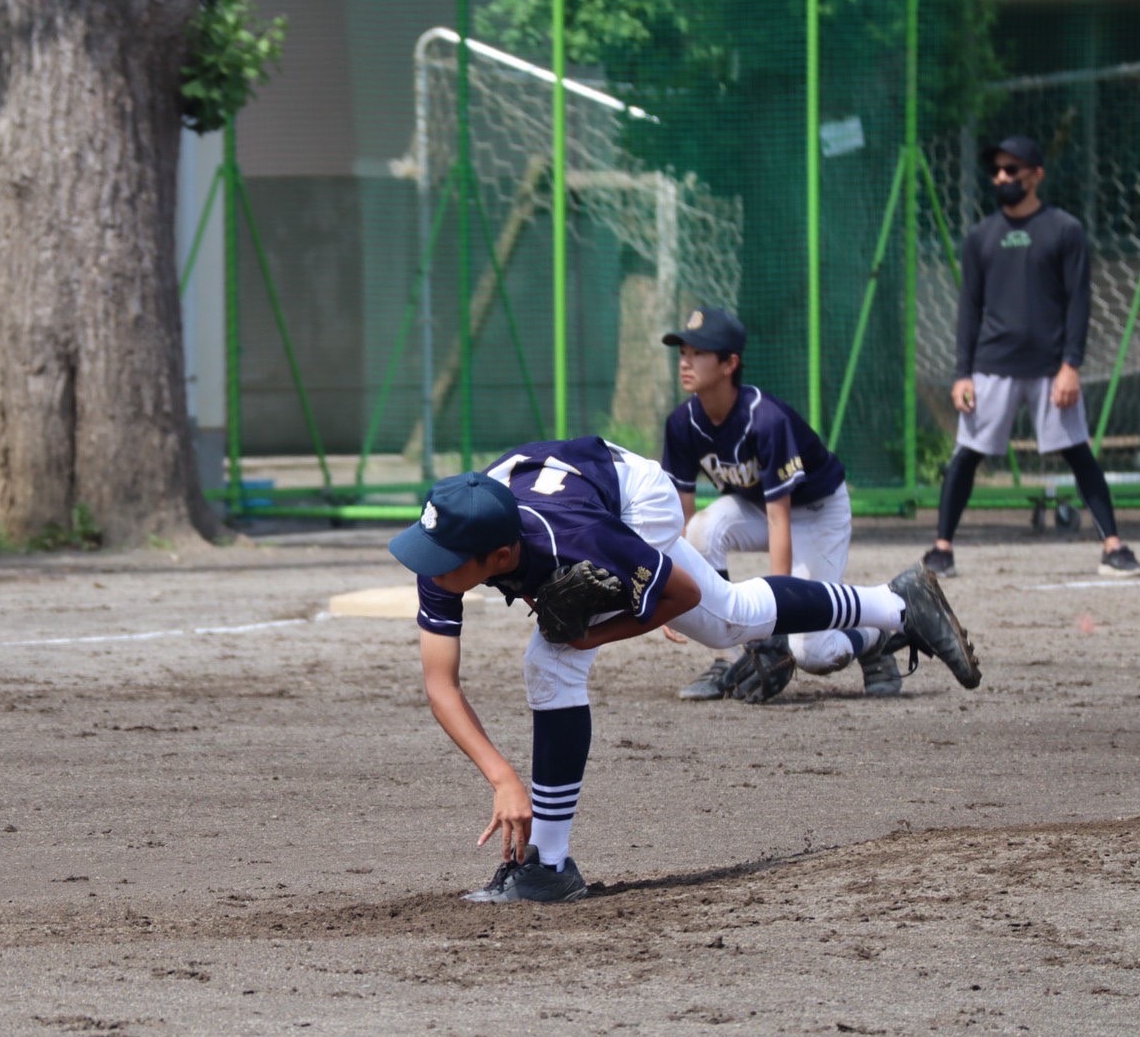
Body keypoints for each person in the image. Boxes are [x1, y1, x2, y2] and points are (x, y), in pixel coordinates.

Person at [388, 436, 982, 903]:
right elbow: (440, 683)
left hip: (631, 499)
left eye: (442, 563)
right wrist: (502, 778)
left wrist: (590, 631)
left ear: (496, 560)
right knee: (734, 620)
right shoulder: (452, 536)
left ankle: (546, 865)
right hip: (571, 490)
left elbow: (679, 596)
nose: (429, 567)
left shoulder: (579, 542)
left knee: (553, 661)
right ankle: (897, 604)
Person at [659, 307, 901, 701]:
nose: (686, 361)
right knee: (704, 529)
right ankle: (727, 660)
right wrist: (669, 592)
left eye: (699, 352)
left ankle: (875, 635)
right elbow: (680, 519)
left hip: (819, 512)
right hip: (755, 507)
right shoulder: (682, 424)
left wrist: (777, 621)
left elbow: (779, 520)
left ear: (729, 363)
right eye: (683, 351)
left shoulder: (765, 420)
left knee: (811, 652)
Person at [925, 134, 1139, 578]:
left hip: (1050, 369)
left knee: (1078, 452)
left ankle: (1114, 547)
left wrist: (1071, 366)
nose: (1002, 177)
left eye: (1012, 169)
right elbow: (969, 308)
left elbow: (1079, 301)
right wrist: (962, 374)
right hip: (991, 366)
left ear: (1036, 174)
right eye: (997, 170)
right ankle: (942, 548)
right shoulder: (981, 237)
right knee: (967, 455)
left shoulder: (1064, 230)